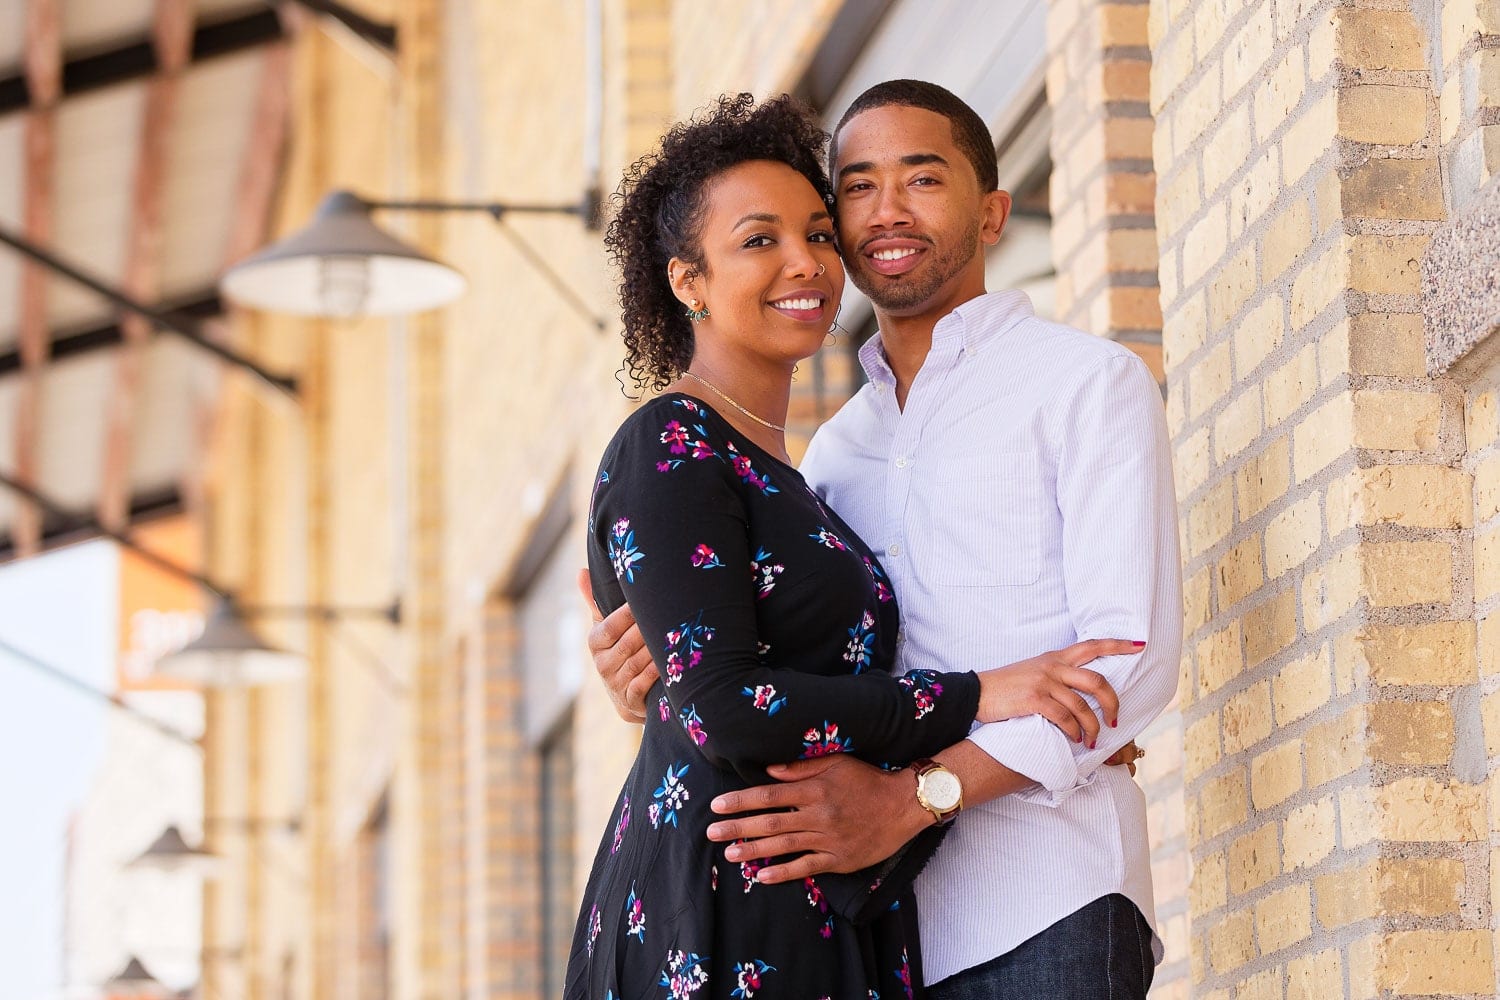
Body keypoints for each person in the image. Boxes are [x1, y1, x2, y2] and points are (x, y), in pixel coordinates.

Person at [586, 80, 1182, 998]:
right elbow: (753, 670)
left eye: (923, 179)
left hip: (1044, 901)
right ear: (688, 278)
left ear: (992, 211)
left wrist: (917, 796)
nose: (885, 211)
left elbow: (1127, 667)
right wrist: (660, 673)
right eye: (857, 188)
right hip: (863, 929)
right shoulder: (834, 457)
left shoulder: (1084, 386)